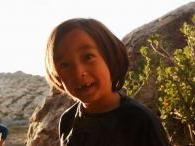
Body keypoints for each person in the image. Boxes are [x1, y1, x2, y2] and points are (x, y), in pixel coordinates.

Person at [45, 18, 170, 146]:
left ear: (110, 56)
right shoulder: (68, 120)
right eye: (65, 65)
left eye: (88, 57)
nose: (78, 72)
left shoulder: (140, 120)